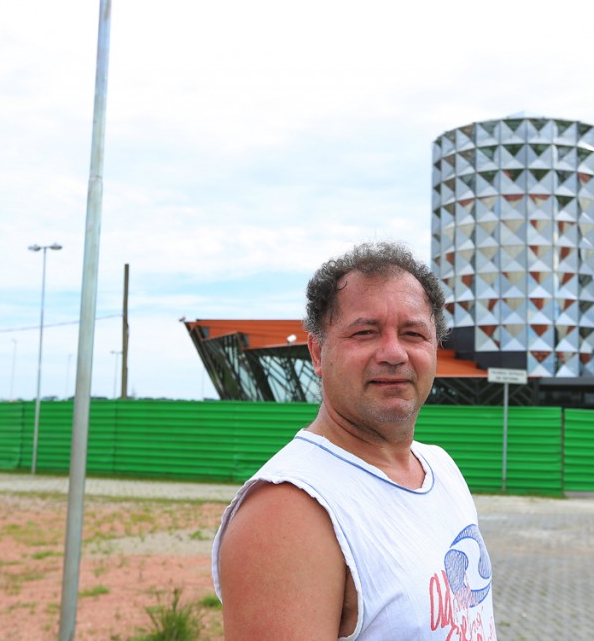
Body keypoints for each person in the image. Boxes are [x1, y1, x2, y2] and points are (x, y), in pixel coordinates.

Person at [212, 241, 497, 640]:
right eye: (365, 332)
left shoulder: (441, 469)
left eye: (413, 333)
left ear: (434, 349)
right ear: (317, 352)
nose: (394, 353)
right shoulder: (290, 511)